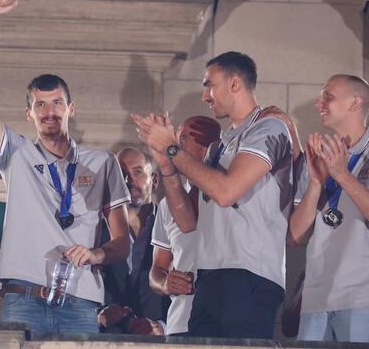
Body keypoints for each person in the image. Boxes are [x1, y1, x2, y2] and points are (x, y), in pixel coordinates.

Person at [0, 0, 130, 334]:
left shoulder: (102, 163)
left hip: (81, 303)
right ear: (29, 114)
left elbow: (122, 243)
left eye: (57, 103)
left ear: (71, 108)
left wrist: (96, 254)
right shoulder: (17, 154)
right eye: (40, 105)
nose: (49, 111)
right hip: (23, 300)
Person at [133, 51, 294, 339]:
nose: (205, 96)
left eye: (209, 85)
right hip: (209, 276)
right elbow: (186, 221)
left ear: (234, 83)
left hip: (249, 274)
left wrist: (173, 148)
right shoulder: (218, 147)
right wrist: (167, 164)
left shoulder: (269, 127)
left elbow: (226, 192)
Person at [289, 74, 369, 343]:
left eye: (328, 97)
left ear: (355, 103)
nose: (318, 103)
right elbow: (296, 236)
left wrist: (343, 175)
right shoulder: (318, 155)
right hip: (315, 300)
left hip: (361, 299)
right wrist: (315, 182)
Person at [148, 116, 221, 336]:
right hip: (180, 323)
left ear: (208, 147)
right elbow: (156, 270)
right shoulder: (166, 205)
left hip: (223, 320)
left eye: (182, 140)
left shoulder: (228, 192)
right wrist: (165, 283)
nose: (174, 146)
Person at [98, 147, 169, 335]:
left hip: (162, 341)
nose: (128, 180)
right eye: (121, 174)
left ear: (154, 180)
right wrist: (99, 315)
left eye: (137, 172)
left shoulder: (173, 227)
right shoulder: (96, 231)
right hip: (109, 340)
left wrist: (162, 327)